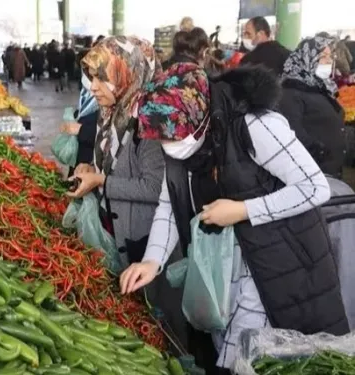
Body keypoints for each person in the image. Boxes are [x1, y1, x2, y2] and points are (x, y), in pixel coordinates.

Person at [124, 62, 349, 373]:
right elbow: (168, 201)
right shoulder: (179, 133)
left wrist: (243, 210)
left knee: (277, 361)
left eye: (172, 137)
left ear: (199, 115)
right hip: (230, 269)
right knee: (236, 357)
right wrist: (152, 260)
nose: (168, 146)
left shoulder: (255, 126)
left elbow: (315, 188)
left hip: (282, 266)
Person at [71, 35, 165, 272]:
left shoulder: (149, 123)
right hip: (113, 228)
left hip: (141, 243)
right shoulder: (110, 113)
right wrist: (91, 169)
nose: (93, 86)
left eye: (102, 78)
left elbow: (155, 188)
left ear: (127, 74)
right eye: (92, 78)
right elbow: (107, 164)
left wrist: (101, 181)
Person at [278, 35, 346, 179]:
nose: (329, 61)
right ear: (307, 58)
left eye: (330, 56)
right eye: (323, 56)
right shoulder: (291, 91)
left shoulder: (321, 88)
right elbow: (293, 131)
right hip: (311, 173)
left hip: (330, 171)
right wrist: (320, 153)